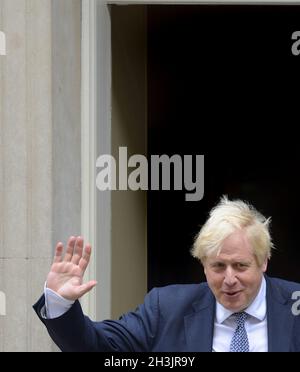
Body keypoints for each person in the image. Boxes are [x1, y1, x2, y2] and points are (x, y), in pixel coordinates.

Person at [33, 196, 300, 352]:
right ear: (203, 265)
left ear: (264, 262)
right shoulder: (167, 308)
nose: (229, 279)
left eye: (240, 266)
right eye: (218, 266)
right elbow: (99, 348)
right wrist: (61, 304)